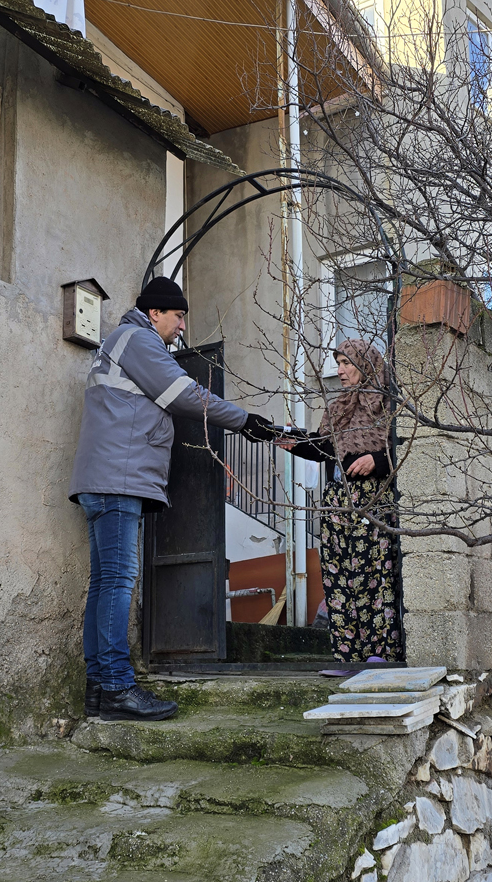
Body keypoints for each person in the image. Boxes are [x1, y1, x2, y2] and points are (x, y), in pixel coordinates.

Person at [69, 276, 278, 721]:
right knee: (119, 581)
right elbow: (187, 395)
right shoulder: (136, 339)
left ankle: (99, 691)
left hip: (106, 480)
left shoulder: (122, 342)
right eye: (178, 315)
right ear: (154, 313)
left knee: (106, 583)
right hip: (116, 480)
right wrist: (244, 421)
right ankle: (117, 687)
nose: (183, 325)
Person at [278, 339, 402, 663]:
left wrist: (377, 460)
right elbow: (322, 449)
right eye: (338, 362)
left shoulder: (387, 407)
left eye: (347, 362)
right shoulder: (338, 409)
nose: (340, 370)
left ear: (366, 364)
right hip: (336, 503)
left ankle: (380, 653)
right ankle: (347, 657)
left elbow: (401, 451)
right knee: (338, 578)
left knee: (375, 576)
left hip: (371, 502)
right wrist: (295, 441)